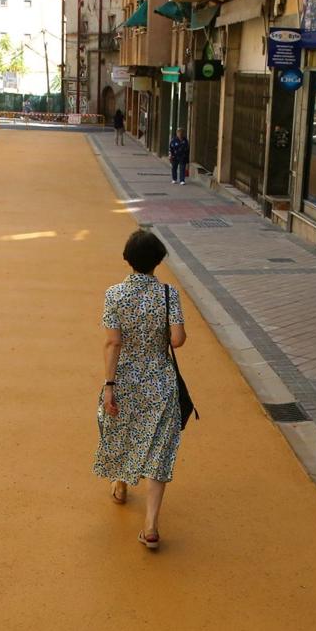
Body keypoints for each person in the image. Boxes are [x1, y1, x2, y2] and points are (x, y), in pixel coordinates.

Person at [93, 229, 188, 551]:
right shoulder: (168, 294)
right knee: (159, 446)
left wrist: (109, 385)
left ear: (126, 260)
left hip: (125, 378)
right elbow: (177, 340)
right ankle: (150, 525)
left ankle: (119, 484)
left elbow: (113, 341)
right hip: (160, 379)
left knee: (120, 431)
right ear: (158, 261)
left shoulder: (114, 294)